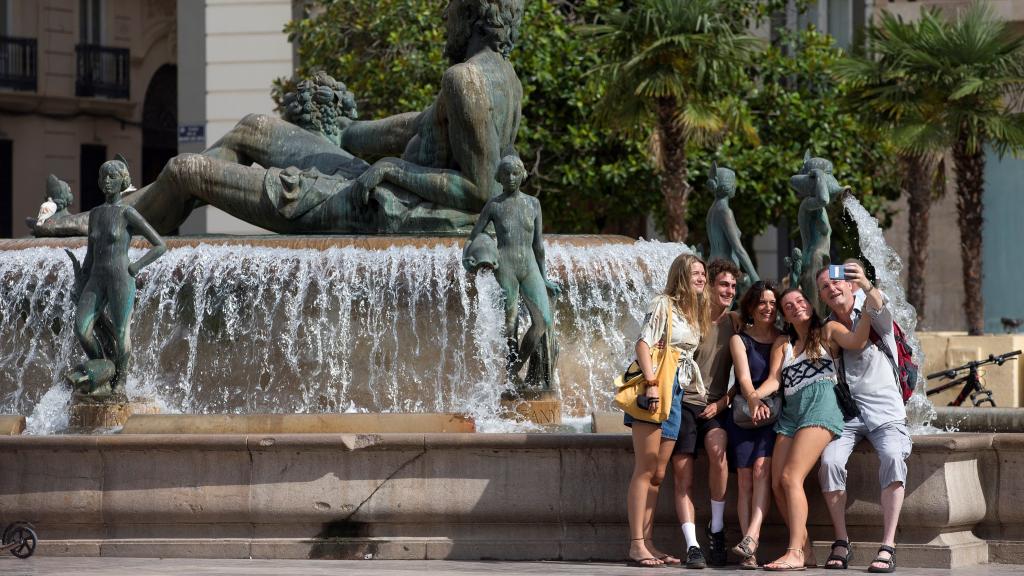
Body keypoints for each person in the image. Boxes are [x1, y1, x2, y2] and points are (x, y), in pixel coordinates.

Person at [32, 0, 524, 237]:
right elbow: (415, 128)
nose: (444, 18)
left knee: (187, 170)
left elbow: (480, 190)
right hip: (374, 186)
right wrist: (341, 136)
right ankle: (153, 208)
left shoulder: (466, 81)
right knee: (253, 127)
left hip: (374, 204)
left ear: (475, 14)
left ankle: (113, 222)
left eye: (450, 9)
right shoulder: (503, 80)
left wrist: (394, 169)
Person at [755, 288, 871, 571]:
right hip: (791, 412)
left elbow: (857, 340)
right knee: (777, 484)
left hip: (821, 405)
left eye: (800, 300)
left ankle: (793, 552)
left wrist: (868, 303)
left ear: (809, 303)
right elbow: (774, 380)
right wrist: (752, 395)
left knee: (790, 476)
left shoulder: (828, 330)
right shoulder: (782, 343)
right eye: (788, 305)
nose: (795, 306)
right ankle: (805, 550)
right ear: (784, 314)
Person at [817, 261, 912, 573]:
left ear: (850, 286)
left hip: (886, 410)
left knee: (893, 456)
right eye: (824, 288)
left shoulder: (871, 310)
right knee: (829, 462)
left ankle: (888, 545)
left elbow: (881, 308)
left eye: (836, 283)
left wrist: (868, 285)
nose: (832, 289)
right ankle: (842, 541)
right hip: (850, 414)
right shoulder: (830, 327)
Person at [624, 254, 709, 568]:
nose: (701, 277)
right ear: (681, 276)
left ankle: (648, 542)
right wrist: (650, 383)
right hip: (656, 386)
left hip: (676, 392)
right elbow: (643, 343)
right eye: (695, 273)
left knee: (658, 474)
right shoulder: (664, 304)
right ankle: (635, 544)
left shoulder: (691, 313)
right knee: (645, 469)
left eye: (703, 273)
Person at [73, 158, 166, 396]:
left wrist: (136, 267)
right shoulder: (95, 214)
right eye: (103, 176)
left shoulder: (128, 213)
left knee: (122, 333)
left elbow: (159, 245)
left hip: (121, 278)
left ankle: (121, 379)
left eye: (112, 177)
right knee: (82, 330)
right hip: (96, 277)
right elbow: (90, 253)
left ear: (123, 181)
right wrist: (81, 279)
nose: (106, 181)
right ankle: (102, 367)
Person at [462, 155, 560, 379]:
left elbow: (539, 245)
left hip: (530, 265)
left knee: (543, 321)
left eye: (515, 173)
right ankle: (512, 369)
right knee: (510, 322)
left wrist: (544, 278)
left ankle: (514, 367)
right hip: (505, 265)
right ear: (499, 177)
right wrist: (467, 258)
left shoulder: (533, 204)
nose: (510, 177)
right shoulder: (494, 205)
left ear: (522, 174)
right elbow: (473, 236)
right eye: (505, 173)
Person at [685, 258, 741, 567]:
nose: (729, 290)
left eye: (733, 286)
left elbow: (750, 374)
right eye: (723, 284)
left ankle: (716, 529)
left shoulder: (735, 322)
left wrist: (723, 403)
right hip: (684, 405)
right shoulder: (689, 318)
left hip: (717, 406)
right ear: (709, 284)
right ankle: (690, 542)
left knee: (718, 453)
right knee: (683, 470)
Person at [725, 280, 780, 569]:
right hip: (743, 415)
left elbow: (775, 377)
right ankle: (750, 555)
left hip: (771, 413)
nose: (768, 308)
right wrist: (752, 400)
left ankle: (751, 538)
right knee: (745, 479)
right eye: (762, 303)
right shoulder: (739, 339)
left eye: (772, 303)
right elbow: (744, 377)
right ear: (751, 306)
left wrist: (759, 399)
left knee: (762, 470)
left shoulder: (782, 339)